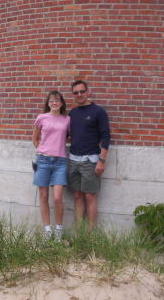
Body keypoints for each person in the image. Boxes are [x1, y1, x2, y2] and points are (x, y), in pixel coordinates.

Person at [68, 80, 110, 228]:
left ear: (87, 92)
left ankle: (90, 235)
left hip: (90, 160)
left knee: (89, 196)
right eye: (76, 92)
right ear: (73, 94)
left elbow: (106, 137)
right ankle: (80, 232)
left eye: (82, 91)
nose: (79, 95)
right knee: (77, 196)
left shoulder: (98, 111)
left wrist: (101, 160)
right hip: (73, 160)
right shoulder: (72, 113)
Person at [32, 91, 70, 239]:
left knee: (57, 198)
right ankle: (47, 230)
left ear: (61, 103)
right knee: (43, 196)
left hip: (60, 162)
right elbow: (34, 139)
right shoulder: (41, 118)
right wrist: (42, 150)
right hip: (43, 161)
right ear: (48, 103)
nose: (54, 103)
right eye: (51, 101)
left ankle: (59, 230)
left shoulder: (67, 120)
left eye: (57, 100)